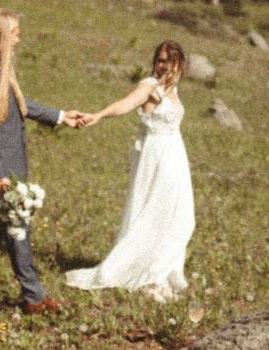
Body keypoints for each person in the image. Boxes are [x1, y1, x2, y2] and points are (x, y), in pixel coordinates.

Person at [0, 8, 81, 320]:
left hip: (9, 170)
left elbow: (21, 106)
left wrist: (62, 116)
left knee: (12, 231)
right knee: (1, 234)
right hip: (2, 172)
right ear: (1, 38)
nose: (20, 38)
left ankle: (22, 296)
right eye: (15, 33)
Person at [66, 40, 196, 302]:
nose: (161, 65)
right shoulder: (150, 86)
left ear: (178, 64)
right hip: (156, 154)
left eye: (167, 61)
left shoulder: (173, 89)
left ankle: (163, 268)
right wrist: (99, 115)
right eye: (159, 60)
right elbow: (126, 104)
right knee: (155, 210)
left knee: (181, 215)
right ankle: (148, 273)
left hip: (175, 155)